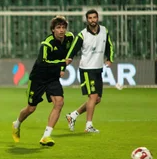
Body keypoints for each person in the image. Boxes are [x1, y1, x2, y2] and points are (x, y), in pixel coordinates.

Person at [12, 16, 74, 146]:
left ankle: (46, 136)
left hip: (52, 78)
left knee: (59, 102)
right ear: (53, 30)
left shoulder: (69, 38)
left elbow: (68, 54)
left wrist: (62, 67)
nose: (61, 30)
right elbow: (42, 62)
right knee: (31, 108)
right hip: (38, 78)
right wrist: (61, 63)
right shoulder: (47, 44)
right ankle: (17, 123)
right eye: (58, 28)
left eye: (63, 27)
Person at [65, 9, 114, 133]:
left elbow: (109, 46)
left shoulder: (104, 31)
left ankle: (73, 115)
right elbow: (73, 50)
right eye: (90, 18)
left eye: (94, 17)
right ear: (87, 20)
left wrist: (110, 59)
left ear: (98, 18)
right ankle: (88, 126)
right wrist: (66, 62)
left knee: (97, 99)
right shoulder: (82, 35)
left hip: (98, 69)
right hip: (87, 69)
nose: (93, 20)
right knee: (92, 97)